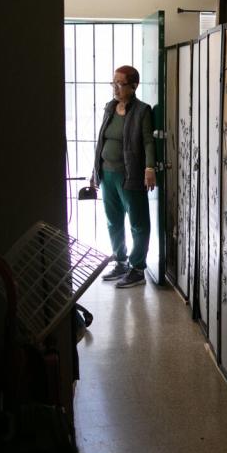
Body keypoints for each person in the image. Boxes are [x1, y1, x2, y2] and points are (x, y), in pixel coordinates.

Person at [92, 65, 156, 288]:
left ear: (133, 86)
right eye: (114, 83)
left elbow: (148, 141)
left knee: (138, 222)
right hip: (107, 173)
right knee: (113, 220)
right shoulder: (110, 108)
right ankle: (120, 260)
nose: (115, 88)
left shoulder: (142, 111)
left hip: (130, 175)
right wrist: (95, 172)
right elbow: (102, 140)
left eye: (120, 84)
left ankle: (137, 267)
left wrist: (150, 168)